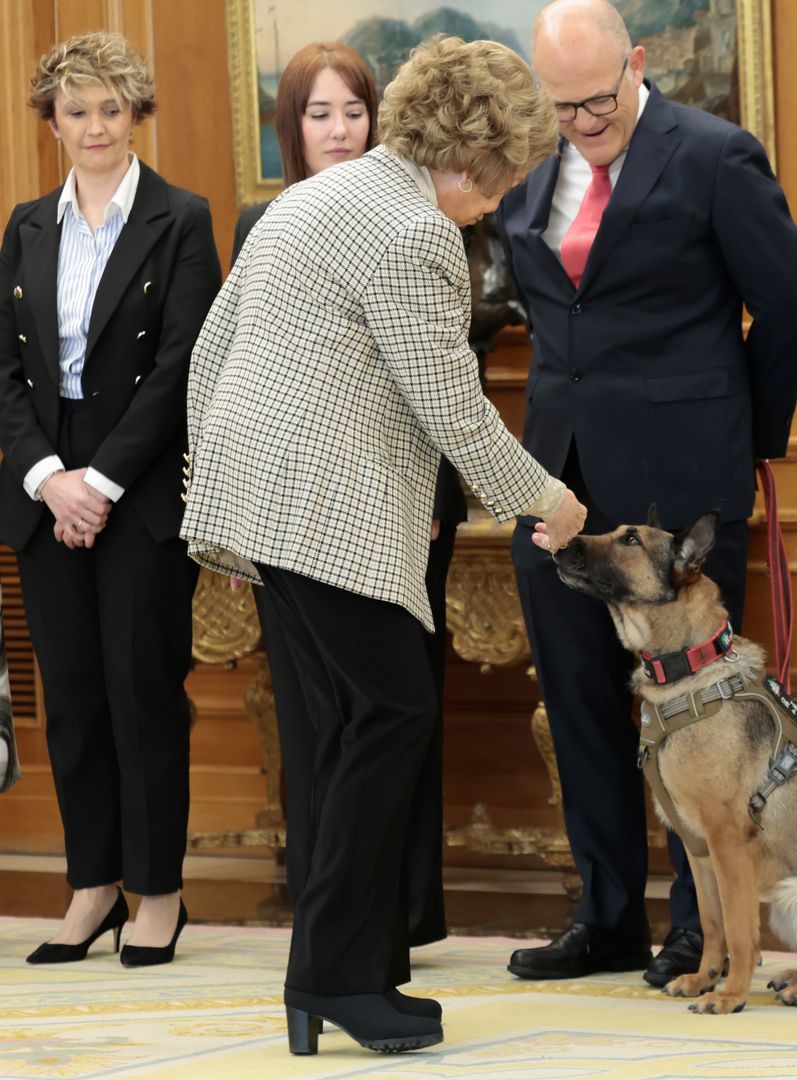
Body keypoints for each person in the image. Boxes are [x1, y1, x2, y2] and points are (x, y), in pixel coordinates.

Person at [181, 35, 586, 1055]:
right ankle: (330, 974)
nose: (498, 204)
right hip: (321, 508)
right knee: (394, 716)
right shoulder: (409, 229)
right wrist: (546, 499)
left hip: (268, 498)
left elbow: (216, 347)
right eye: (502, 182)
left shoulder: (315, 200)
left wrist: (221, 478)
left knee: (356, 726)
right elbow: (448, 403)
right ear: (472, 154)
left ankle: (344, 972)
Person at [498, 0, 797, 986]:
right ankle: (606, 915)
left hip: (680, 489)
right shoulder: (531, 172)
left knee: (700, 720)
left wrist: (739, 440)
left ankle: (698, 927)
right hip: (560, 481)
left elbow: (794, 307)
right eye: (564, 109)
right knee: (581, 700)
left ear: (635, 62)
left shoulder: (716, 155)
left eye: (599, 100)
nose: (584, 123)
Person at [230, 41, 457, 946]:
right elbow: (247, 371)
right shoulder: (266, 223)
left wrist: (438, 489)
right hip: (294, 512)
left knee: (403, 715)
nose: (338, 129)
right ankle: (330, 932)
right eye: (318, 114)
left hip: (411, 502)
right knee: (319, 720)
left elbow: (443, 378)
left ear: (380, 117)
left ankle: (400, 920)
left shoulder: (425, 211)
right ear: (292, 126)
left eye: (353, 111)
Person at [0, 31, 220, 965]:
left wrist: (102, 480)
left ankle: (157, 892)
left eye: (111, 107)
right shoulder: (24, 225)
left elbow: (183, 367)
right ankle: (92, 887)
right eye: (76, 109)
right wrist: (50, 479)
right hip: (48, 486)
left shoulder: (181, 216)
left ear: (136, 114)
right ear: (52, 121)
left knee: (142, 693)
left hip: (138, 485)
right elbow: (5, 372)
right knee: (75, 700)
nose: (95, 125)